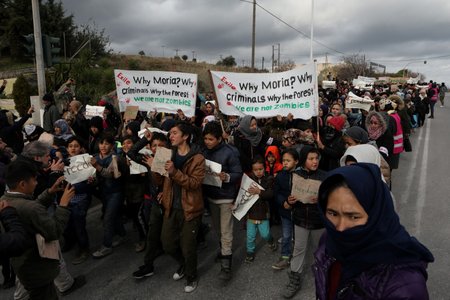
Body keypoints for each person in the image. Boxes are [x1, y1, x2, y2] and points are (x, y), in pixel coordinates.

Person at [313, 163, 434, 299]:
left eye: (353, 216)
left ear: (376, 214)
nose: (340, 227)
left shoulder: (405, 287)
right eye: (333, 213)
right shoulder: (328, 240)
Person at [3, 160, 76, 300]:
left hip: (22, 266)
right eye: (34, 180)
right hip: (38, 268)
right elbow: (54, 231)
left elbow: (29, 207)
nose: (36, 183)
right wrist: (63, 205)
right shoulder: (30, 208)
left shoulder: (5, 200)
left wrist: (49, 192)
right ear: (22, 184)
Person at [159, 121, 205, 293]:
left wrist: (174, 172)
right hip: (171, 206)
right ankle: (184, 265)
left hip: (190, 208)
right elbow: (161, 179)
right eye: (170, 133)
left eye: (174, 133)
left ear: (185, 136)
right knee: (168, 244)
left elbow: (194, 184)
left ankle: (191, 277)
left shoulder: (198, 158)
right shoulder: (168, 153)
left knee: (188, 247)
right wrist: (154, 167)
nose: (170, 136)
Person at [282, 146, 326, 299]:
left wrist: (322, 200)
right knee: (298, 250)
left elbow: (332, 201)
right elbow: (287, 199)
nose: (315, 161)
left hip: (319, 222)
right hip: (300, 220)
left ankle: (324, 278)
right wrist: (289, 200)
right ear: (303, 160)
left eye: (316, 158)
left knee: (320, 251)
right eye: (311, 158)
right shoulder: (295, 175)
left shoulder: (324, 176)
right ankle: (294, 280)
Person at [202, 121, 242, 281]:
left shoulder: (230, 152)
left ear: (219, 138)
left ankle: (226, 265)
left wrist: (227, 177)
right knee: (218, 229)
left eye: (211, 139)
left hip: (226, 196)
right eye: (205, 138)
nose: (207, 142)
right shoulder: (203, 151)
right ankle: (223, 250)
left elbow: (238, 172)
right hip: (211, 196)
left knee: (226, 230)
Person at [91, 133, 129, 258]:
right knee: (115, 215)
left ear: (112, 146)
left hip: (116, 192)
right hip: (104, 192)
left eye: (107, 143)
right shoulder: (95, 157)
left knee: (108, 218)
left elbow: (110, 174)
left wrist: (96, 166)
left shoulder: (115, 158)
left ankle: (106, 246)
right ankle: (122, 235)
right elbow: (94, 176)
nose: (103, 146)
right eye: (101, 143)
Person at [245, 156, 277, 263]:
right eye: (255, 170)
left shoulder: (269, 179)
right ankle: (250, 252)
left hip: (264, 213)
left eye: (260, 169)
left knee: (265, 234)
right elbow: (241, 193)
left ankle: (270, 240)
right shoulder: (248, 179)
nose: (258, 172)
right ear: (252, 170)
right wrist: (235, 205)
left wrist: (259, 192)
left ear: (265, 168)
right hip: (251, 213)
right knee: (250, 236)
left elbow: (271, 194)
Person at [272, 148, 299, 270]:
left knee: (299, 237)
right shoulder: (280, 176)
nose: (285, 163)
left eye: (288, 160)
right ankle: (285, 257)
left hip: (299, 212)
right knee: (286, 235)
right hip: (285, 212)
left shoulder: (302, 176)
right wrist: (283, 202)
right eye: (283, 160)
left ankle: (298, 258)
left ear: (296, 161)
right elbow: (276, 193)